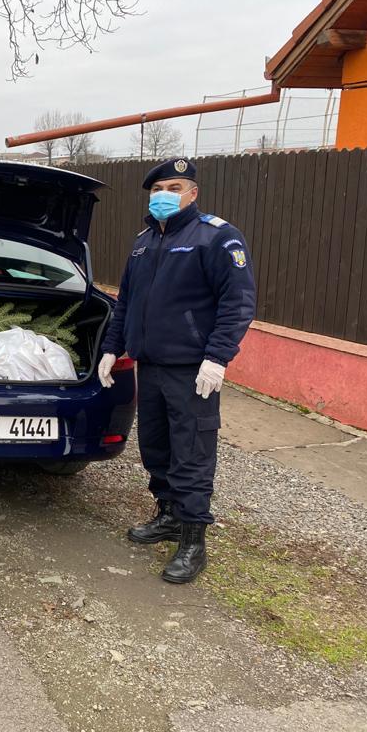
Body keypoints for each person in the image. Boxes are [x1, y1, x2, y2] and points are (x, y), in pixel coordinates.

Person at [98, 157, 256, 583]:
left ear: (193, 193)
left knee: (192, 452)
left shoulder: (217, 237)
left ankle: (192, 541)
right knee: (156, 447)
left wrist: (217, 357)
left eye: (173, 188)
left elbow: (238, 303)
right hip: (150, 365)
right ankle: (167, 515)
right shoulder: (144, 241)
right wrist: (112, 348)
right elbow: (127, 302)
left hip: (192, 370)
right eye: (157, 189)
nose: (164, 195)